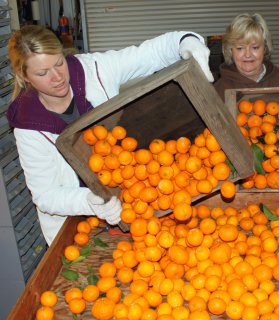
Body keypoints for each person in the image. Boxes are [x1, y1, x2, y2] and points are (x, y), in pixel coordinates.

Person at [6, 25, 214, 246]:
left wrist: (185, 41)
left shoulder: (93, 69)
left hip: (135, 201)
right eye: (42, 73)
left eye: (59, 63)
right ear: (23, 75)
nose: (57, 77)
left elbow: (148, 54)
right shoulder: (28, 126)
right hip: (79, 227)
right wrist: (89, 200)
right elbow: (46, 195)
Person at [214, 13, 279, 101]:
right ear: (231, 51)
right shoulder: (219, 91)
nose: (248, 54)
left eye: (255, 47)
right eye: (240, 48)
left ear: (265, 48)